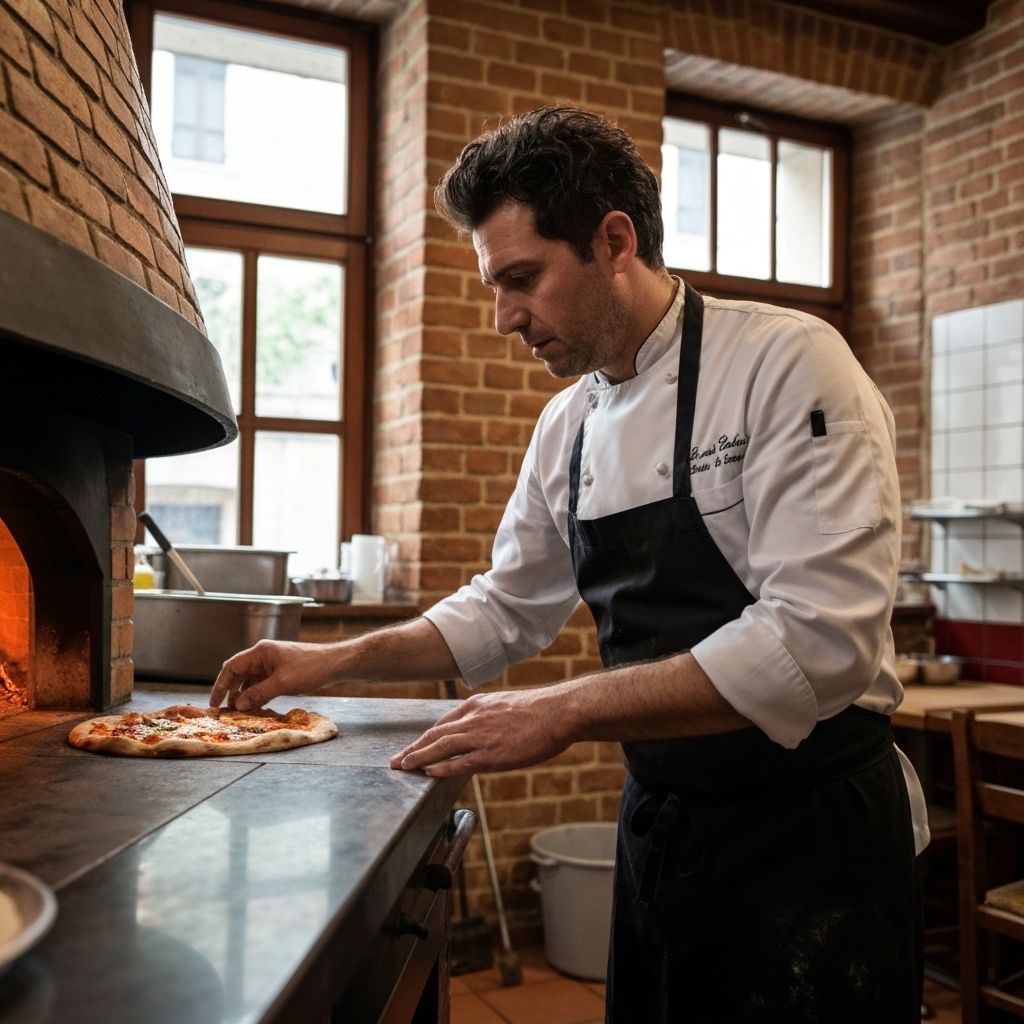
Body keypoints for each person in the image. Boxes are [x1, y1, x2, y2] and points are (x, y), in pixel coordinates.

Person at [210, 106, 928, 1023]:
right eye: (495, 285)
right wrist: (329, 663)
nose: (506, 318)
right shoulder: (570, 425)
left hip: (810, 837)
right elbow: (506, 607)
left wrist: (563, 710)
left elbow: (818, 641)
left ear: (614, 241)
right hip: (665, 828)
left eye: (522, 279)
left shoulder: (788, 364)